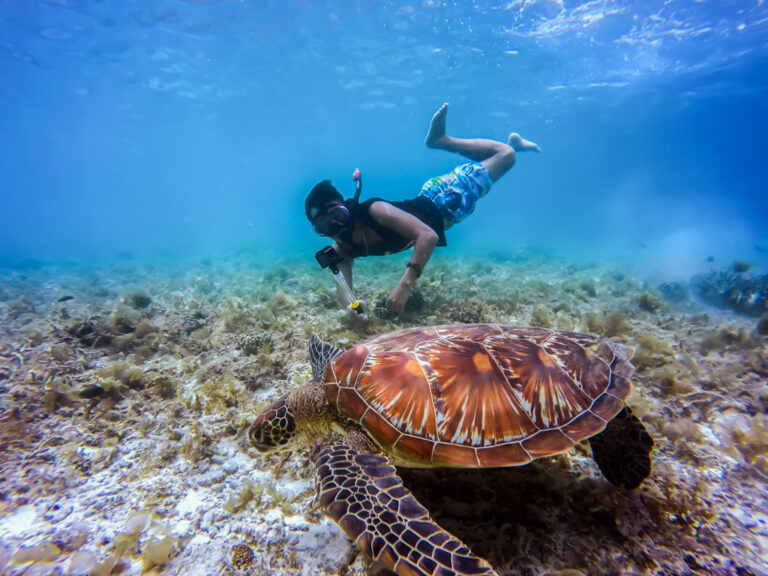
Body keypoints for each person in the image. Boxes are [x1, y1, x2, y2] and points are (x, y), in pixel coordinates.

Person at [305, 103, 540, 322]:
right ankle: (513, 143)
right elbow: (344, 289)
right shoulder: (343, 250)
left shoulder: (374, 210)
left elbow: (428, 236)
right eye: (324, 227)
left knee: (506, 157)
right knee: (500, 159)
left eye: (337, 217)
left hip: (446, 198)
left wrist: (405, 284)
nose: (335, 229)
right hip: (441, 208)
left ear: (347, 208)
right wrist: (352, 308)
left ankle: (441, 140)